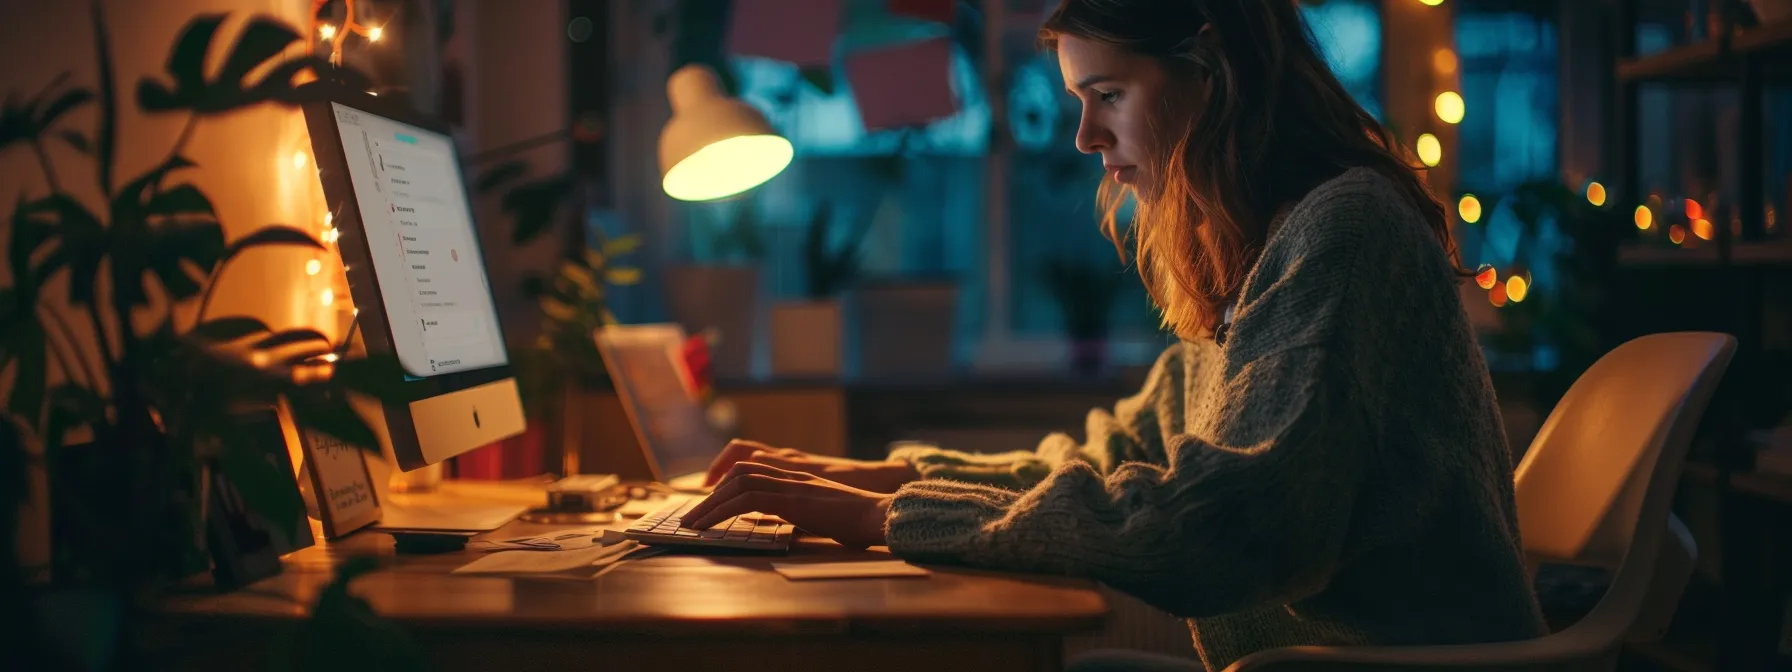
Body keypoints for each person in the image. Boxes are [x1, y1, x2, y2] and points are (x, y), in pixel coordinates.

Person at [680, 0, 1549, 668]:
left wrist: (885, 517)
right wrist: (889, 479)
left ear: (1214, 72)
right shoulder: (1264, 250)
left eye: (1108, 96)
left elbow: (1224, 531)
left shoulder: (1344, 235)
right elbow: (1112, 454)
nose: (1086, 136)